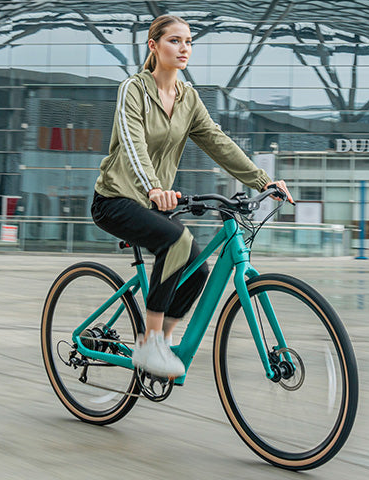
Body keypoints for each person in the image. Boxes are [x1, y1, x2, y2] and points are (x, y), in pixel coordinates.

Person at [91, 14, 294, 379]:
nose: (183, 48)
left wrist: (263, 180)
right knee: (179, 241)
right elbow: (134, 145)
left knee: (198, 268)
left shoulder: (188, 98)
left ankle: (162, 346)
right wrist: (154, 187)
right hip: (116, 199)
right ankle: (149, 343)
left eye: (188, 41)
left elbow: (218, 142)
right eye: (174, 41)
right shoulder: (133, 89)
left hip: (156, 204)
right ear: (153, 46)